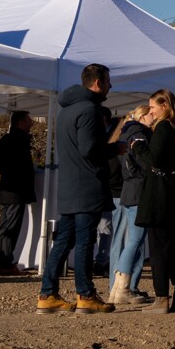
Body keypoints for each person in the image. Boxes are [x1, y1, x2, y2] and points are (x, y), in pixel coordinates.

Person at [37, 64, 116, 314]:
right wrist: (115, 148)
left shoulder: (67, 110)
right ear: (97, 83)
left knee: (63, 241)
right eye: (108, 81)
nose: (110, 86)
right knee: (85, 242)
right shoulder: (89, 110)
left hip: (70, 184)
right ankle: (86, 294)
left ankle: (47, 294)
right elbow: (89, 149)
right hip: (87, 186)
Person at [136, 89, 175, 313]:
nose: (151, 110)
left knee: (158, 249)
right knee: (173, 248)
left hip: (159, 197)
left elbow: (153, 159)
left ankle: (161, 297)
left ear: (165, 106)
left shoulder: (162, 127)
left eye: (153, 106)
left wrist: (137, 146)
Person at [106, 105, 152, 304]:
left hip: (127, 191)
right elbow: (143, 162)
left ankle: (119, 287)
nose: (153, 116)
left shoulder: (125, 133)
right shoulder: (138, 134)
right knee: (134, 241)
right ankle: (122, 286)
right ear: (142, 116)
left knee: (129, 240)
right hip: (135, 190)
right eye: (150, 113)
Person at [0, 110, 35, 275]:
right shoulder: (20, 141)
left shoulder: (6, 139)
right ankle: (5, 263)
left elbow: (1, 165)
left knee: (3, 227)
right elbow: (20, 167)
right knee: (11, 228)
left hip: (6, 190)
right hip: (16, 191)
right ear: (21, 123)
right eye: (29, 120)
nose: (31, 123)